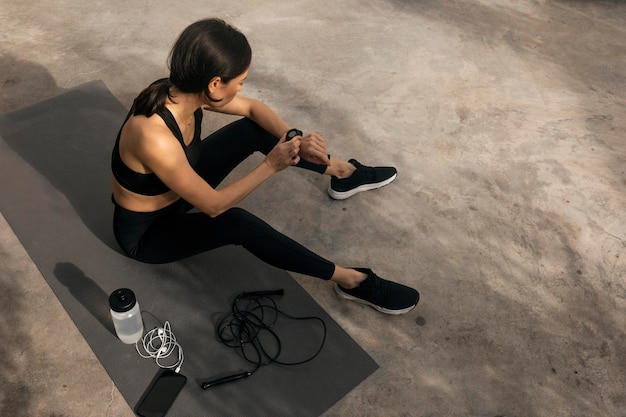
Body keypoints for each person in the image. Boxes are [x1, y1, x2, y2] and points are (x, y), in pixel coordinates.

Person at [111, 18, 419, 315]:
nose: (241, 89)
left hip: (177, 192)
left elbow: (253, 109)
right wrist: (271, 165)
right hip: (149, 233)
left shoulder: (183, 90)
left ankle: (342, 173)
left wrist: (296, 139)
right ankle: (351, 280)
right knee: (237, 223)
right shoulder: (154, 136)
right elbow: (213, 206)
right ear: (215, 83)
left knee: (253, 129)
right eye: (240, 82)